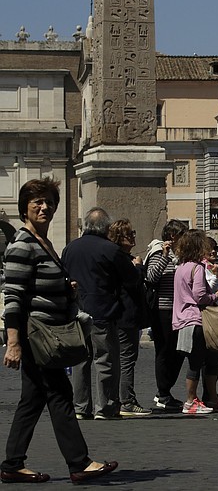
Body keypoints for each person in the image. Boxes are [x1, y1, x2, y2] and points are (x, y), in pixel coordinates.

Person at [1, 178, 118, 484]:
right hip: (36, 335)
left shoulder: (45, 243)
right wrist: (12, 342)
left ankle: (12, 463)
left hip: (49, 329)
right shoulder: (22, 244)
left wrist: (67, 288)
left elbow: (41, 283)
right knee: (60, 394)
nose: (44, 207)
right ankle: (79, 462)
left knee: (33, 398)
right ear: (24, 207)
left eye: (49, 202)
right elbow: (13, 296)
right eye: (37, 201)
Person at [62, 208, 141, 420]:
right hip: (103, 311)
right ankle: (105, 407)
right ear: (106, 227)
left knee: (80, 361)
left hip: (76, 311)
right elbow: (131, 278)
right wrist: (137, 268)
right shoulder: (110, 249)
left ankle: (80, 407)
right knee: (105, 359)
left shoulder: (70, 248)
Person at [172, 229, 218, 415]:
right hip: (195, 319)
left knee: (202, 360)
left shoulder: (181, 268)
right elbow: (199, 296)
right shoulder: (197, 268)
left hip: (182, 319)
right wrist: (213, 296)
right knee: (196, 361)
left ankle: (203, 398)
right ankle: (191, 400)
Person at [108, 219, 152, 417]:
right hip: (126, 317)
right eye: (129, 234)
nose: (134, 236)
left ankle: (121, 399)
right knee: (126, 359)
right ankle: (127, 401)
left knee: (123, 358)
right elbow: (132, 282)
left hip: (124, 316)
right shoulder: (123, 260)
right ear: (119, 238)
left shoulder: (118, 257)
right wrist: (139, 268)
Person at [145, 219, 188, 411]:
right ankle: (163, 393)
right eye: (182, 235)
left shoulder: (180, 255)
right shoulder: (158, 252)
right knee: (164, 351)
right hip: (163, 309)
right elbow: (151, 277)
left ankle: (165, 389)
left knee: (177, 351)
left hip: (177, 309)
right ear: (173, 236)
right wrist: (164, 256)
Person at [199, 236, 218, 411]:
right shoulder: (203, 268)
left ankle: (210, 393)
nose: (213, 252)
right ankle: (209, 395)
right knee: (211, 357)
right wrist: (216, 277)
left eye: (215, 248)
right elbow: (208, 289)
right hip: (208, 315)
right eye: (209, 249)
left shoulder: (213, 267)